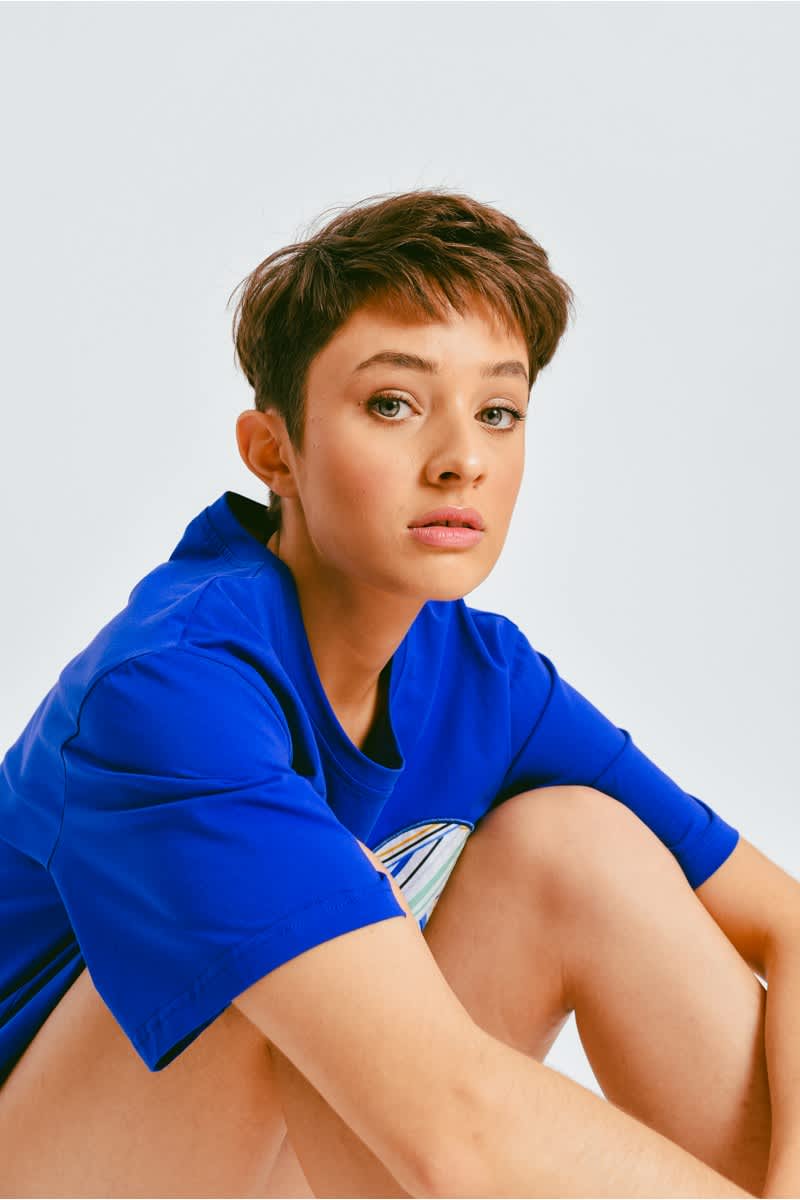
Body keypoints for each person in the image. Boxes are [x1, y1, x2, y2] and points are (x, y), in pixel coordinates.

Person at [0, 187, 795, 1199]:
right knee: (279, 945)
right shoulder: (168, 686)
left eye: (497, 413)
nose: (461, 461)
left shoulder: (484, 680)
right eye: (392, 404)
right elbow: (453, 1129)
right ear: (273, 451)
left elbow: (786, 923)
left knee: (572, 847)